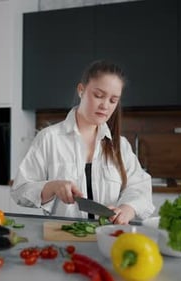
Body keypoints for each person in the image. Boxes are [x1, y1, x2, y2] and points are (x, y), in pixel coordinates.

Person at [11, 60, 154, 225]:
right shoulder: (49, 138)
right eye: (98, 95)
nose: (105, 106)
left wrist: (127, 208)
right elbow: (19, 191)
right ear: (81, 90)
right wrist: (52, 187)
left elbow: (140, 187)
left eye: (113, 100)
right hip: (63, 239)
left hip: (108, 238)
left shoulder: (119, 145)